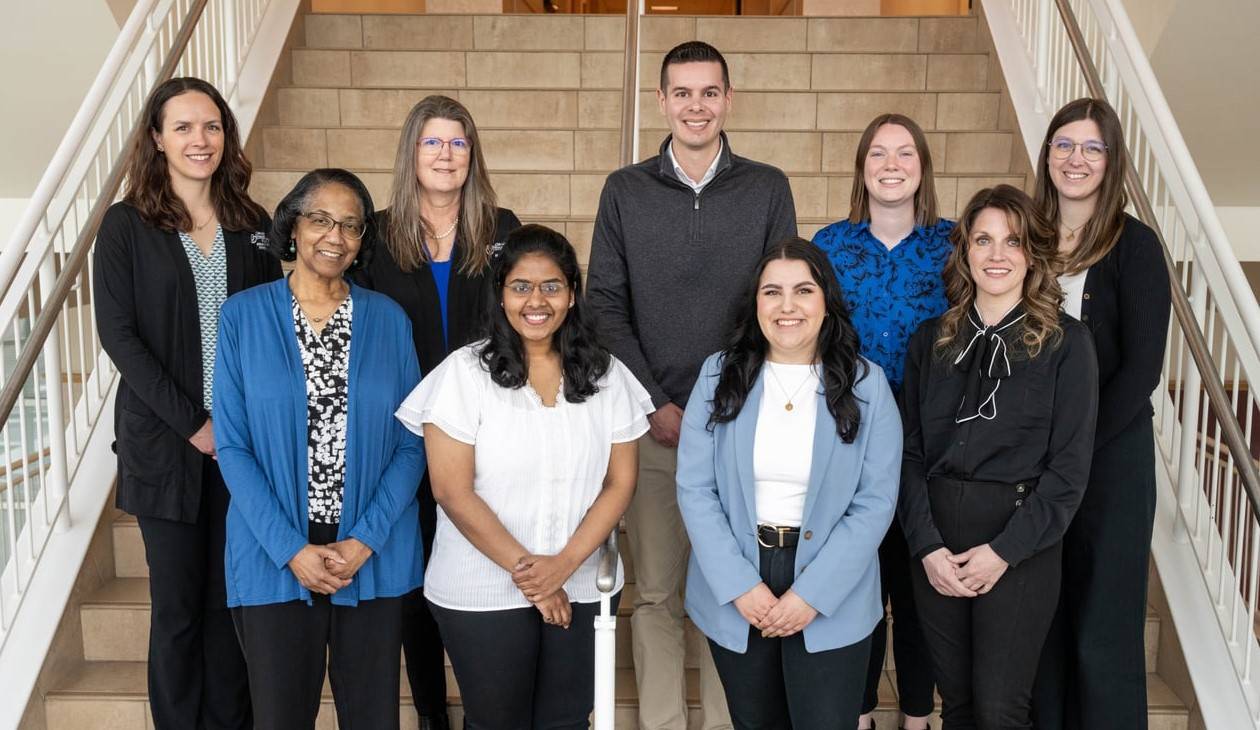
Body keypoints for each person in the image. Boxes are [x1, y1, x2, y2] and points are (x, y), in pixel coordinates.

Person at [587, 40, 797, 730]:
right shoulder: (625, 190)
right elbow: (605, 306)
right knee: (654, 596)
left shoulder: (767, 188)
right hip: (652, 427)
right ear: (662, 101)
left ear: (728, 100)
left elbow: (784, 302)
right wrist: (656, 403)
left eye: (710, 92)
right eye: (683, 92)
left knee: (730, 590)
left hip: (741, 428)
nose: (696, 105)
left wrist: (722, 404)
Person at [395, 224, 651, 730]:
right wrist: (536, 578)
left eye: (552, 286)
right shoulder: (463, 374)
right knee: (497, 722)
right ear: (501, 294)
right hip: (481, 588)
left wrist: (563, 567)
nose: (537, 300)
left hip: (580, 585)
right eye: (521, 286)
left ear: (572, 295)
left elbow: (619, 483)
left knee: (566, 722)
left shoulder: (608, 376)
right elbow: (451, 490)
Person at [93, 76, 279, 730]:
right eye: (184, 127)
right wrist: (195, 424)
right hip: (165, 448)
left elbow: (269, 335)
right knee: (177, 609)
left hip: (241, 450)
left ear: (226, 136)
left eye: (212, 126)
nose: (200, 140)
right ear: (156, 139)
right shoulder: (125, 226)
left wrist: (241, 430)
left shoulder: (253, 227)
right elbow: (120, 337)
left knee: (232, 605)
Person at [213, 168, 426, 730]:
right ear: (292, 226)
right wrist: (291, 550)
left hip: (369, 553)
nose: (336, 236)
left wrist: (363, 542)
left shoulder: (388, 319)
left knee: (373, 718)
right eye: (321, 219)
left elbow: (411, 444)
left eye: (351, 226)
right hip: (273, 553)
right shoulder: (241, 317)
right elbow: (232, 447)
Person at [676, 238, 902, 730]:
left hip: (831, 585)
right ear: (755, 303)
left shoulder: (867, 385)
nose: (787, 306)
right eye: (771, 292)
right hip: (741, 582)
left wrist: (811, 596)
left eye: (803, 290)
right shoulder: (719, 376)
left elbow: (876, 501)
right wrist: (740, 585)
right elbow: (695, 489)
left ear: (826, 302)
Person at [899, 185, 1098, 729]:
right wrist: (926, 546)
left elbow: (1068, 470)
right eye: (982, 240)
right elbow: (910, 455)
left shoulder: (1067, 345)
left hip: (1019, 543)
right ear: (964, 252)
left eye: (1012, 242)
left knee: (999, 708)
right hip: (937, 543)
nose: (996, 255)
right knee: (958, 704)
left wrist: (1005, 551)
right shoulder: (930, 342)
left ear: (1031, 253)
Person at [354, 93, 520, 730]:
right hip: (403, 436)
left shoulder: (500, 228)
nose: (445, 154)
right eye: (432, 142)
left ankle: (492, 707)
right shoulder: (377, 234)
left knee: (490, 565)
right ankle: (430, 714)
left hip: (488, 433)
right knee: (416, 587)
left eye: (457, 142)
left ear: (472, 154)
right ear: (412, 153)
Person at [1030, 98, 1172, 729]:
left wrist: (1075, 446)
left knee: (1103, 630)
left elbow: (1142, 370)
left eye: (1092, 147)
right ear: (1048, 155)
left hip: (1110, 461)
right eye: (1064, 144)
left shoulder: (1135, 246)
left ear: (1112, 160)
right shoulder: (1024, 238)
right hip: (1031, 463)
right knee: (1043, 625)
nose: (1076, 159)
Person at [811, 113, 951, 730]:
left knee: (918, 583)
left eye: (904, 154)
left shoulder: (953, 246)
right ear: (862, 166)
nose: (891, 164)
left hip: (932, 441)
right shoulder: (829, 246)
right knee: (858, 578)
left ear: (922, 167)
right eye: (877, 153)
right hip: (849, 437)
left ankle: (918, 713)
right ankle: (862, 711)